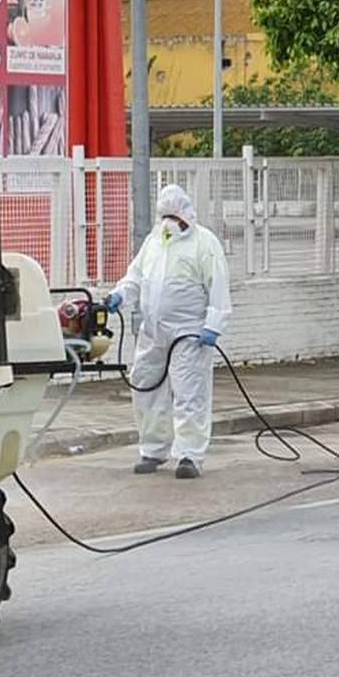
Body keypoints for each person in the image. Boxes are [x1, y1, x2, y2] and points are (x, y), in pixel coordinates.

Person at [107, 184, 231, 479]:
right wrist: (120, 296)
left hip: (188, 333)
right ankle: (152, 448)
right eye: (164, 216)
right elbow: (135, 278)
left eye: (173, 216)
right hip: (152, 332)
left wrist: (213, 325)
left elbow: (218, 286)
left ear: (187, 215)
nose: (169, 223)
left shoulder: (204, 243)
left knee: (189, 393)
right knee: (146, 386)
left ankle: (189, 454)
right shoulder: (154, 243)